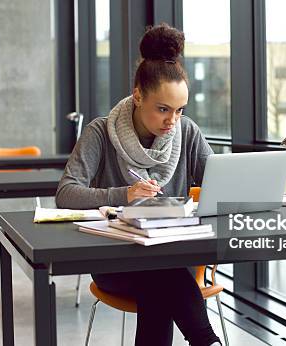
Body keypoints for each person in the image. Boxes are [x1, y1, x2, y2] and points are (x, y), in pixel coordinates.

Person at [55, 23, 221, 346]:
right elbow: (65, 193)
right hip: (116, 263)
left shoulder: (187, 133)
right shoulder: (99, 133)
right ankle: (207, 341)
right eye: (163, 109)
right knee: (162, 276)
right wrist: (125, 195)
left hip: (173, 259)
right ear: (138, 95)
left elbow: (218, 184)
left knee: (160, 275)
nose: (172, 121)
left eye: (179, 110)